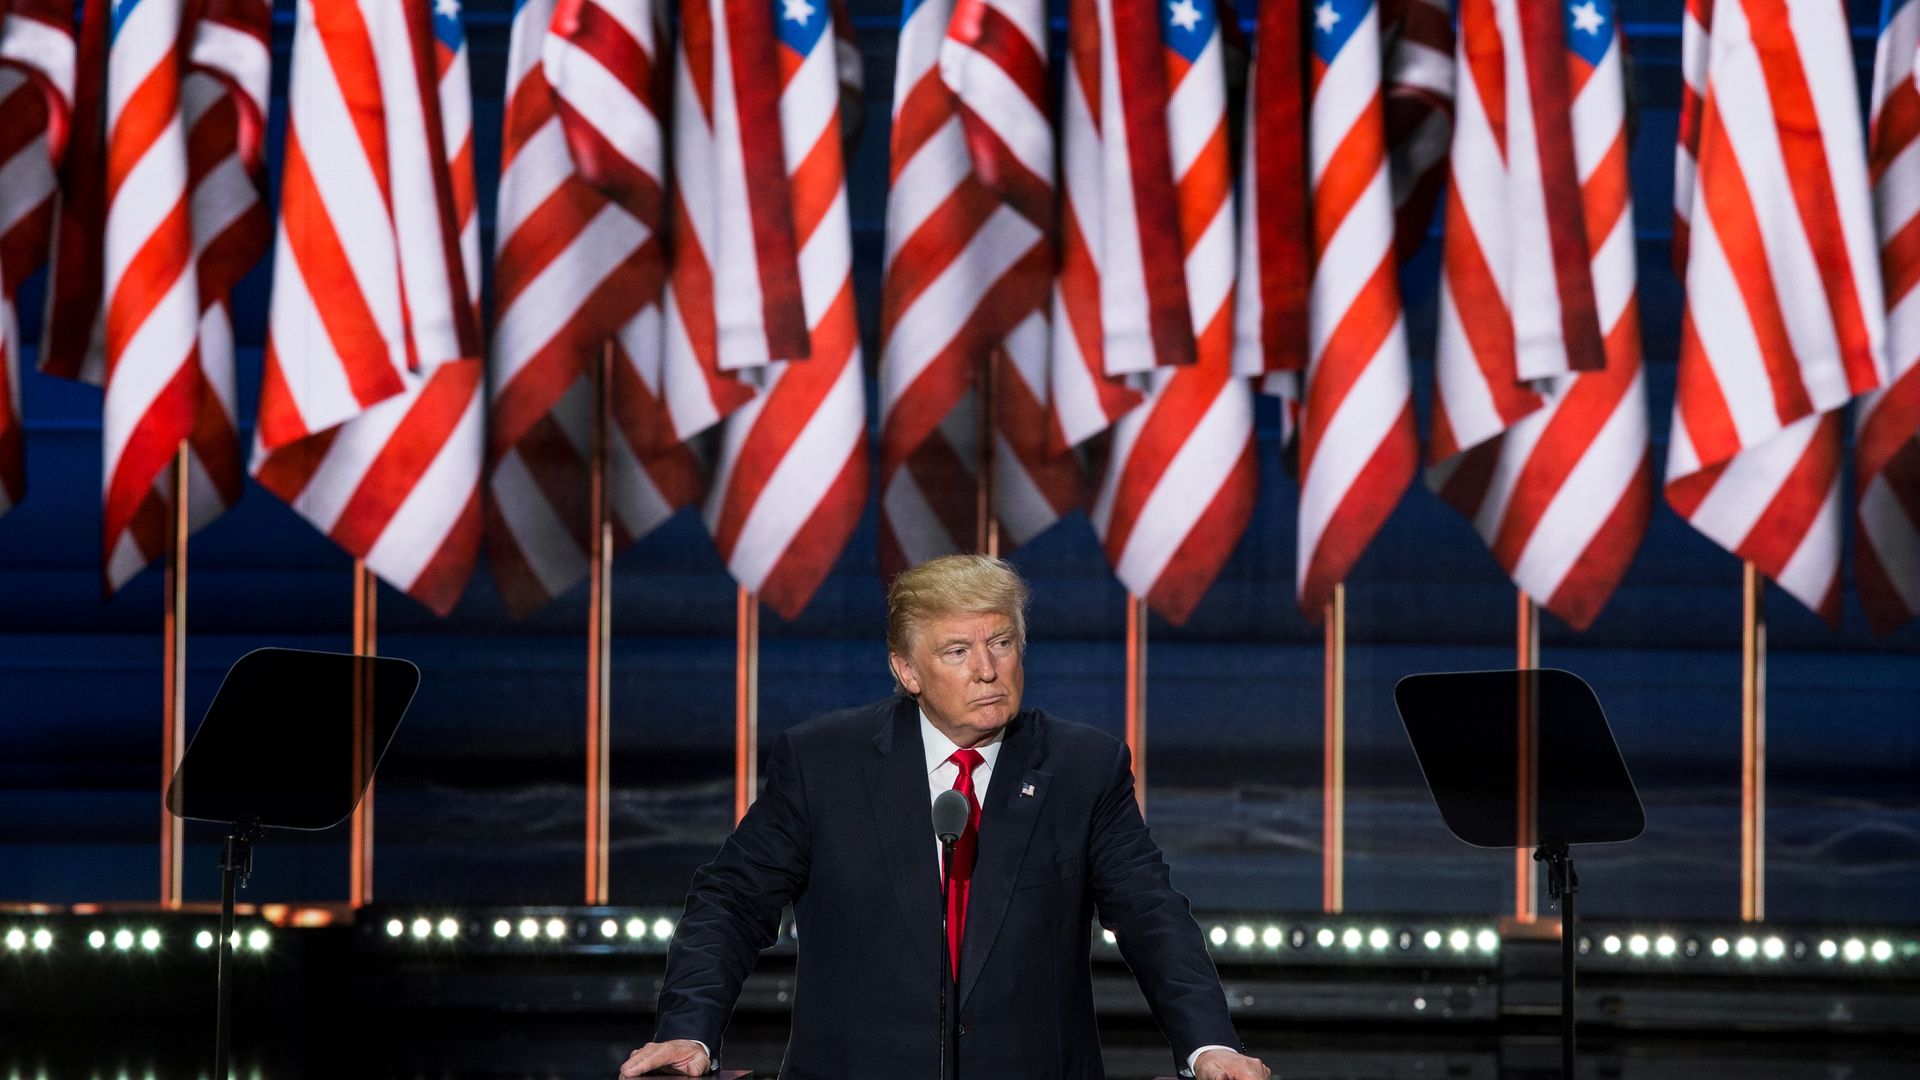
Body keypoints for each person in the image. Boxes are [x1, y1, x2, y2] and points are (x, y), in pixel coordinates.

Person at [622, 555, 1271, 1080]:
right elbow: (732, 901)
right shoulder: (825, 762)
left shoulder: (1083, 768)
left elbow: (1151, 914)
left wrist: (1208, 1045)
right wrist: (688, 1030)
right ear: (906, 669)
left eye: (1001, 643)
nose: (987, 671)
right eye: (957, 651)